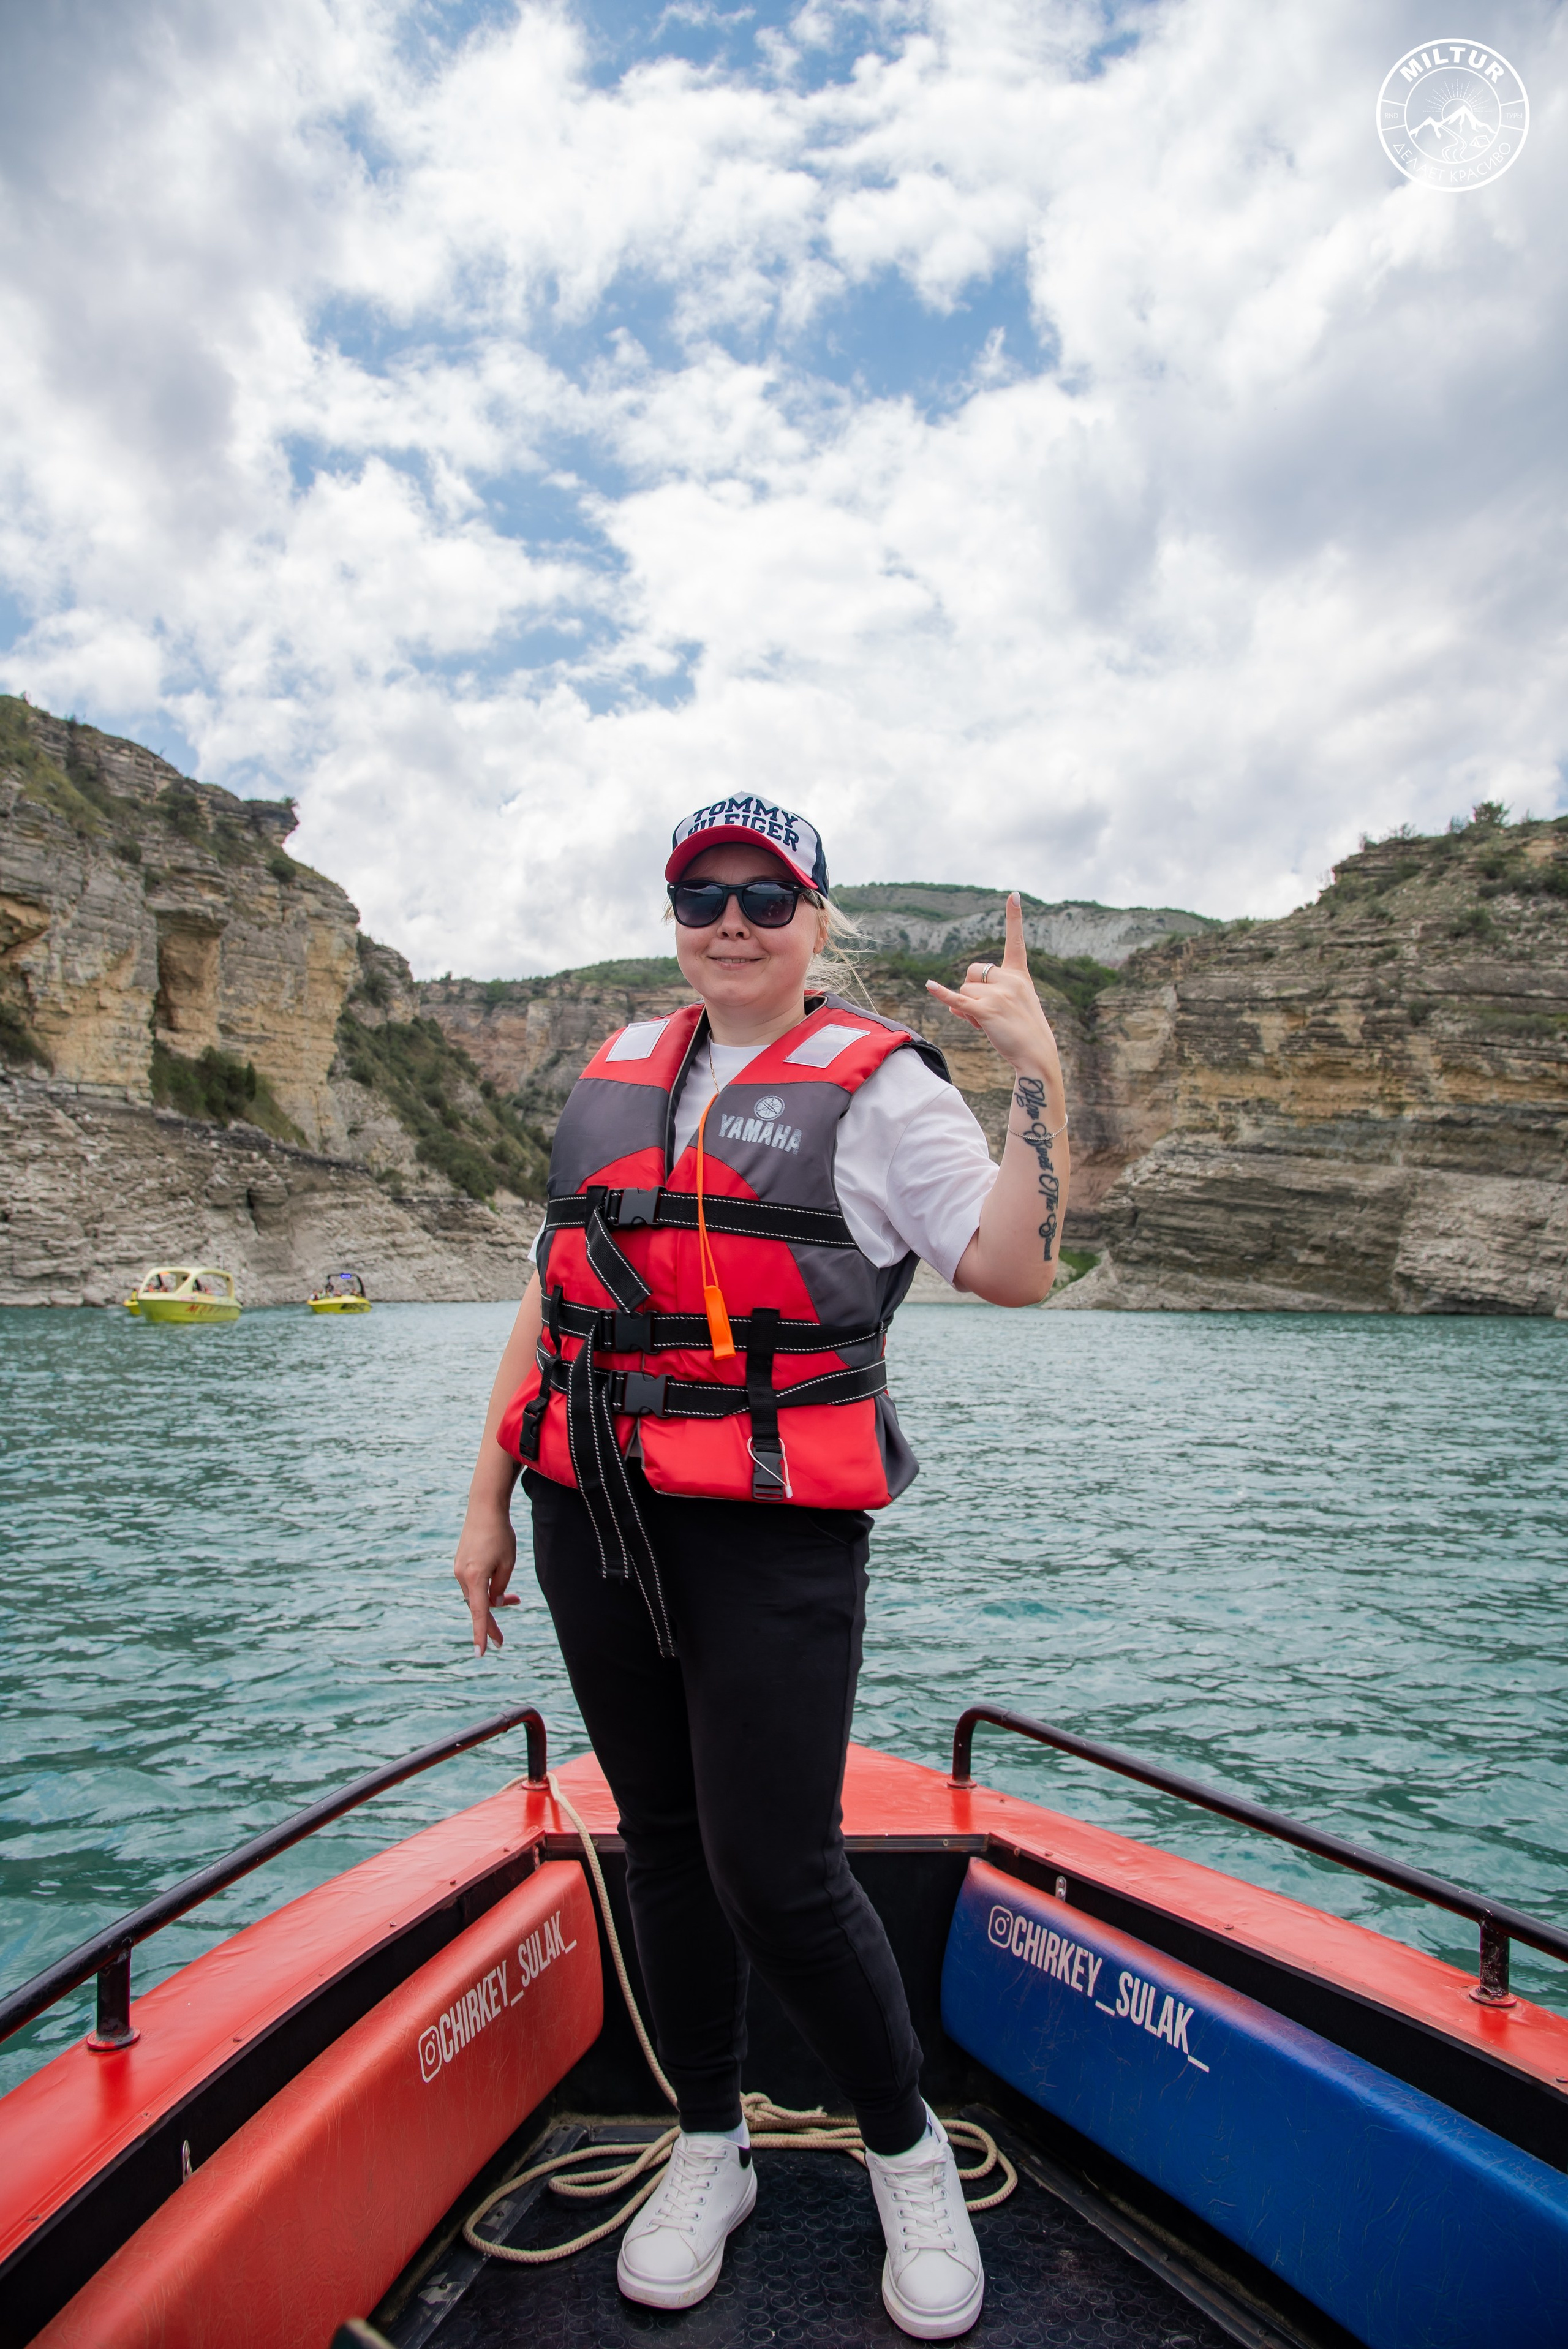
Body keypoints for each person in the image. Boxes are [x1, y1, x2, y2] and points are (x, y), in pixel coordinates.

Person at [453, 795, 1069, 2340]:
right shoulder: (618, 1071)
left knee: (775, 1868)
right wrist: (480, 1506)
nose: (730, 918)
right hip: (585, 1505)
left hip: (770, 1524)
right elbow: (552, 1298)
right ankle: (707, 2142)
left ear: (814, 918)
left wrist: (1035, 1070)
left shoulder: (878, 1094)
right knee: (659, 1839)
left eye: (764, 894)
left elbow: (1010, 1270)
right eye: (699, 892)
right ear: (673, 911)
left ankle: (905, 2148)